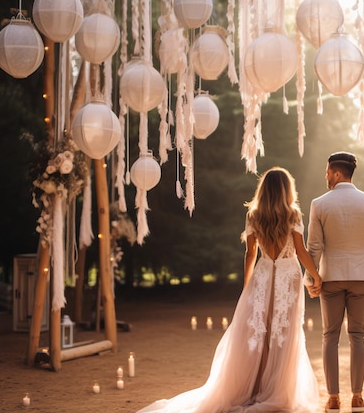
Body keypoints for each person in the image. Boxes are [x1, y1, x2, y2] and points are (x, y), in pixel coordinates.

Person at [138, 167, 322, 413]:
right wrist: (316, 276)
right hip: (288, 277)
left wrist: (248, 286)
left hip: (264, 275)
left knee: (259, 333)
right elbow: (300, 251)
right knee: (283, 333)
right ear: (287, 190)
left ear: (264, 189)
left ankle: (256, 388)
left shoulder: (254, 215)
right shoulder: (293, 214)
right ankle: (276, 389)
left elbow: (250, 254)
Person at [306, 151, 364, 413]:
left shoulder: (319, 203)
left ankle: (332, 398)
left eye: (328, 171)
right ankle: (357, 397)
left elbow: (314, 246)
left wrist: (312, 277)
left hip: (331, 277)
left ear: (337, 173)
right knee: (358, 335)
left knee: (330, 336)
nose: (326, 176)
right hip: (360, 276)